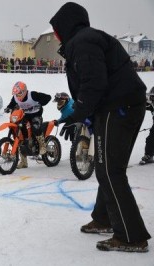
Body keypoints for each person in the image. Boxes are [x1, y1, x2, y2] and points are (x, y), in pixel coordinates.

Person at [50, 2, 151, 252]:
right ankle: (104, 218)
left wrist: (78, 113)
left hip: (117, 108)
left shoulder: (82, 42)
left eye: (56, 28)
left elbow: (94, 83)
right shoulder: (87, 39)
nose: (55, 34)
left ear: (67, 24)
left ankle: (131, 236)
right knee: (110, 169)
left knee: (109, 171)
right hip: (123, 106)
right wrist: (83, 115)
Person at [4, 81, 51, 168]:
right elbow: (12, 104)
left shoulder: (32, 95)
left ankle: (42, 145)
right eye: (16, 94)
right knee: (20, 135)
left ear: (24, 91)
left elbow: (48, 97)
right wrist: (8, 108)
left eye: (20, 93)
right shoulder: (15, 97)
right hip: (24, 115)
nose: (18, 96)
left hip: (36, 114)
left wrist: (41, 102)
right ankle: (24, 162)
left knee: (35, 127)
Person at [140, 87, 154, 165]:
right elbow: (140, 105)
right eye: (152, 97)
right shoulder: (151, 104)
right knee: (150, 139)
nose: (152, 100)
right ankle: (149, 155)